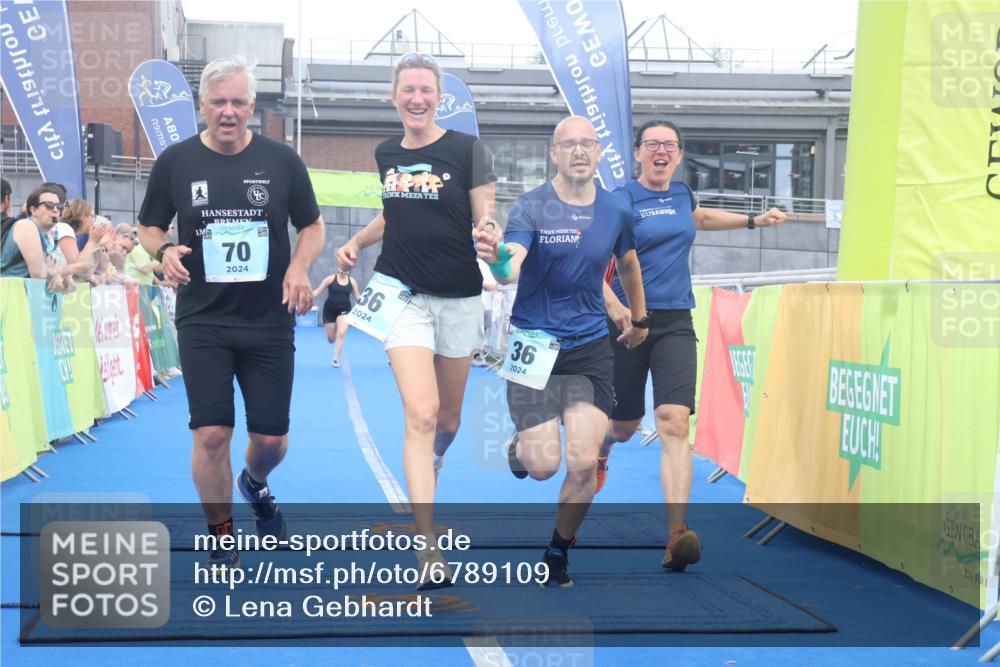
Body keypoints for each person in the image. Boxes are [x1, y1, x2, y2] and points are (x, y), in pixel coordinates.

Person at [137, 55, 325, 570]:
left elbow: (311, 226)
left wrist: (300, 268)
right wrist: (163, 251)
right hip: (203, 319)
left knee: (270, 440)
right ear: (202, 105)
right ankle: (221, 535)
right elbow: (149, 226)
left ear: (252, 107)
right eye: (218, 102)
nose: (228, 111)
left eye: (238, 102)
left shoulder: (282, 161)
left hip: (268, 319)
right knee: (212, 433)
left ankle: (256, 483)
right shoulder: (176, 162)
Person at [335, 52, 496, 588]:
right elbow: (393, 211)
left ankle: (436, 460)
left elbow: (486, 214)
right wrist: (357, 241)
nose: (417, 99)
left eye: (426, 90)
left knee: (447, 422)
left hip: (458, 299)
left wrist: (490, 236)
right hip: (401, 293)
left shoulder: (467, 150)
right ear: (394, 96)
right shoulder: (386, 153)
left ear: (438, 96)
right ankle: (429, 550)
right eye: (408, 90)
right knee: (421, 414)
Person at [598, 120, 787, 571]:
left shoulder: (682, 195)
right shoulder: (620, 199)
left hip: (676, 322)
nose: (661, 151)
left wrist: (753, 221)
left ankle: (676, 535)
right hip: (628, 324)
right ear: (638, 153)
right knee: (624, 426)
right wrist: (614, 308)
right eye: (652, 145)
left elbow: (698, 218)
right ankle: (604, 446)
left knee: (674, 422)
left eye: (669, 145)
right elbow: (591, 258)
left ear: (679, 155)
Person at [477, 116, 649, 587]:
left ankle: (558, 550)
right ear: (554, 154)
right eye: (568, 144)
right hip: (534, 347)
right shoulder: (533, 207)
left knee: (582, 462)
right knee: (542, 466)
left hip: (589, 350)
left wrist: (640, 317)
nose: (577, 151)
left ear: (597, 154)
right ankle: (520, 445)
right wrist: (495, 254)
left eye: (586, 144)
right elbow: (511, 268)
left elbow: (629, 264)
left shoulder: (615, 210)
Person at [311, 269, 360, 367]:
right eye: (342, 268)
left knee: (341, 333)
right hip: (330, 311)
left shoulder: (352, 281)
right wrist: (306, 299)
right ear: (338, 268)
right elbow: (317, 291)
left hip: (344, 311)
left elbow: (357, 297)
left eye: (345, 268)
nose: (343, 270)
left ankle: (335, 358)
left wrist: (366, 304)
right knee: (331, 339)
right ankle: (334, 330)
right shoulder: (330, 279)